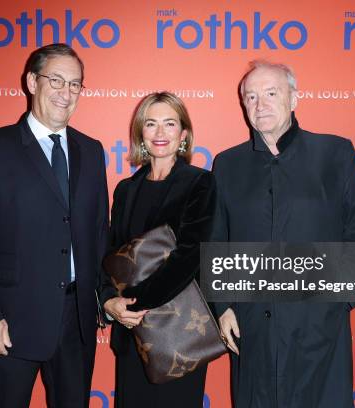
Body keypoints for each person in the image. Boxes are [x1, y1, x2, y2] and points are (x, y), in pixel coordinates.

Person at [212, 60, 355, 407]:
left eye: (271, 93)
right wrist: (224, 306)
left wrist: (338, 301)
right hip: (253, 329)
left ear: (294, 99)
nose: (260, 104)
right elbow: (218, 241)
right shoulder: (227, 165)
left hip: (319, 330)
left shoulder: (335, 154)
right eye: (251, 97)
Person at [0, 43, 109, 408]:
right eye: (56, 80)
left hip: (76, 321)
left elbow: (99, 232)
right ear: (31, 82)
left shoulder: (92, 150)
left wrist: (103, 299)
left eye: (75, 84)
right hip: (9, 321)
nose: (66, 92)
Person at [100, 92, 216, 407]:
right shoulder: (125, 190)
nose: (160, 134)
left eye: (170, 124)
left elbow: (189, 256)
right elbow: (109, 255)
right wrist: (110, 302)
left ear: (184, 134)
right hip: (131, 336)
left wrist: (134, 305)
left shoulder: (200, 183)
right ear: (141, 133)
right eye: (151, 124)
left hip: (177, 336)